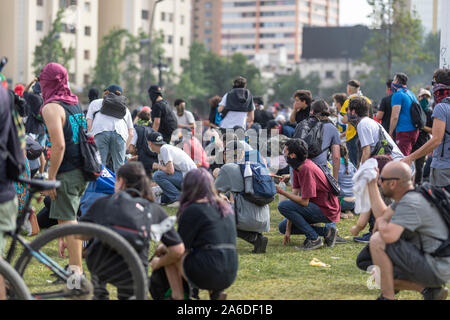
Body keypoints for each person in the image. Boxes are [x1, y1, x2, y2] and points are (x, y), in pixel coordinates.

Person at [80, 162, 184, 300]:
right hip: (133, 269)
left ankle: (100, 294)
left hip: (100, 263)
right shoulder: (153, 210)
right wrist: (160, 261)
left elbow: (80, 234)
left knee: (95, 250)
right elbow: (177, 249)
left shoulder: (103, 202)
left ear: (121, 181)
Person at [364, 161, 449, 300]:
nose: (380, 182)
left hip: (437, 267)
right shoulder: (412, 195)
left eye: (382, 179)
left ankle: (387, 297)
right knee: (367, 261)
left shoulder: (411, 202)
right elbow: (383, 215)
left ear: (393, 184)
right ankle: (430, 291)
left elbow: (388, 235)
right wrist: (372, 185)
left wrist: (380, 222)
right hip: (438, 263)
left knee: (377, 240)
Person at [39, 63, 88, 276]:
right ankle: (72, 270)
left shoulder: (51, 108)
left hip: (67, 171)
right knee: (66, 222)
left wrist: (51, 176)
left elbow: (58, 145)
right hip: (81, 169)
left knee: (69, 223)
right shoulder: (73, 103)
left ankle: (76, 279)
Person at [164, 168, 238, 300]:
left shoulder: (192, 210)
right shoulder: (226, 209)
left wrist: (158, 262)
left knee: (171, 253)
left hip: (207, 269)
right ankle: (215, 292)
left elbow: (179, 249)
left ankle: (179, 296)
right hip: (230, 270)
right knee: (208, 248)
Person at [277, 139, 340, 250]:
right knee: (282, 227)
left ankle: (314, 239)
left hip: (327, 209)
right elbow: (294, 197)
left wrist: (282, 192)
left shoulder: (306, 169)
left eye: (285, 151)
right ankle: (327, 232)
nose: (283, 153)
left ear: (292, 155)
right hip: (317, 206)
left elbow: (304, 202)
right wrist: (287, 230)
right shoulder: (297, 167)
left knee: (283, 206)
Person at [215, 140, 270, 254]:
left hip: (246, 218)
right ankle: (256, 237)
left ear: (225, 154)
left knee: (215, 207)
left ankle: (252, 239)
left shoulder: (228, 168)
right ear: (242, 154)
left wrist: (220, 197)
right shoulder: (256, 166)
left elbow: (212, 193)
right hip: (264, 220)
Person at [403, 68, 450, 189]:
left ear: (438, 85)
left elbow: (436, 139)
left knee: (441, 205)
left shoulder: (441, 107)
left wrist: (410, 157)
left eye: (434, 83)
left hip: (444, 167)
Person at [86, 84, 134, 173]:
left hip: (100, 132)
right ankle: (119, 186)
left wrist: (91, 139)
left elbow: (89, 125)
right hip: (120, 134)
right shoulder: (125, 109)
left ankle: (101, 186)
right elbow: (131, 133)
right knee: (119, 168)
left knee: (100, 166)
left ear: (106, 92)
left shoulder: (96, 102)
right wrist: (124, 148)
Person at [347, 97, 404, 165]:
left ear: (353, 112)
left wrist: (361, 170)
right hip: (395, 161)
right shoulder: (369, 121)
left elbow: (366, 151)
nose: (347, 113)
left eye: (347, 110)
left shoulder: (362, 124)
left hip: (392, 163)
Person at [295, 100, 341, 181]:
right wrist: (335, 179)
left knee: (303, 193)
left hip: (301, 169)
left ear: (312, 111)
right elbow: (336, 157)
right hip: (320, 171)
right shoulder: (333, 129)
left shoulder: (301, 125)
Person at [148, 132, 197, 207]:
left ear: (150, 143)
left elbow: (170, 171)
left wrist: (158, 166)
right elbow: (164, 175)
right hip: (189, 178)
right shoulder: (162, 150)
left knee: (157, 175)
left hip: (190, 179)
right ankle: (184, 197)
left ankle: (178, 199)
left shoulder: (164, 149)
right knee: (162, 197)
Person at [340, 80, 372, 166]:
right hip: (368, 132)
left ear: (349, 90)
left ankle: (356, 177)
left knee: (354, 161)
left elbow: (345, 119)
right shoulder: (367, 100)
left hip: (352, 134)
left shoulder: (349, 101)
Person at [389, 73, 420, 156]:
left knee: (402, 159)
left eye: (394, 79)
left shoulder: (397, 95)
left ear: (396, 81)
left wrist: (390, 132)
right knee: (407, 156)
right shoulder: (411, 93)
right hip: (414, 131)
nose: (392, 82)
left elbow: (395, 116)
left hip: (404, 132)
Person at [412, 88, 433, 186]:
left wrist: (422, 127)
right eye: (422, 96)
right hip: (412, 140)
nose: (425, 99)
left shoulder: (430, 113)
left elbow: (433, 130)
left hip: (423, 142)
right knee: (410, 165)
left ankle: (418, 186)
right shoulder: (414, 109)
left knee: (419, 166)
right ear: (418, 98)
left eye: (427, 97)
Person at [337, 145, 356, 219]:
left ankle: (340, 211)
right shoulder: (350, 164)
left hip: (341, 201)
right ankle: (348, 210)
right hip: (353, 202)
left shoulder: (332, 163)